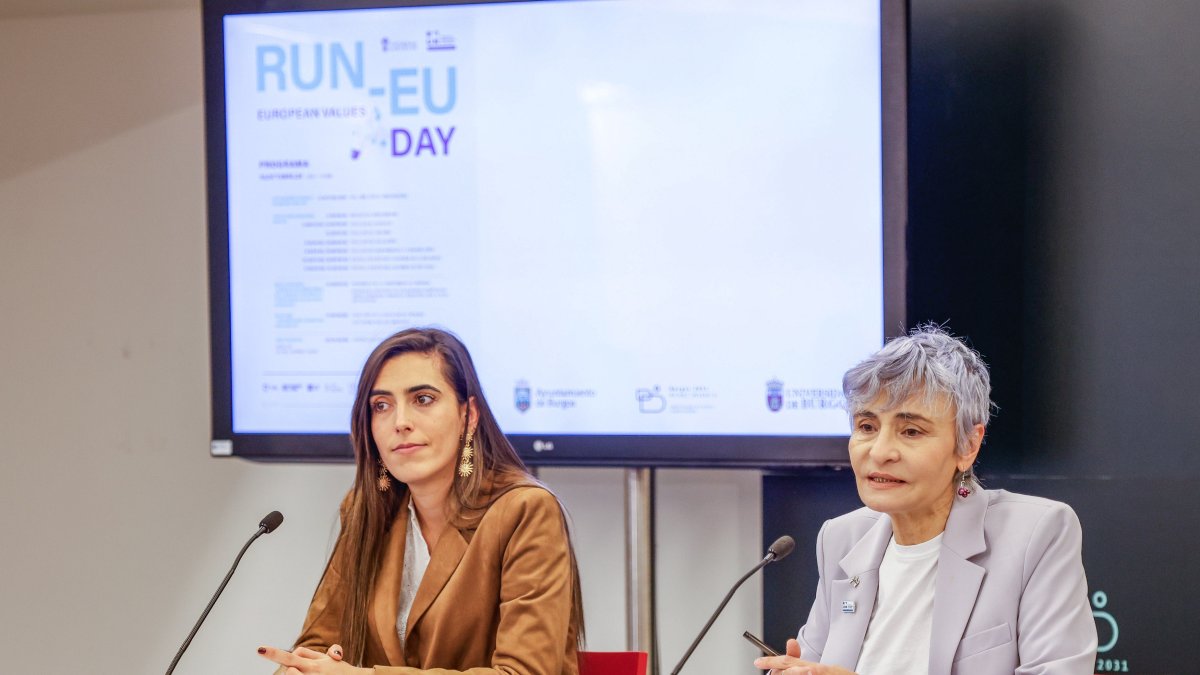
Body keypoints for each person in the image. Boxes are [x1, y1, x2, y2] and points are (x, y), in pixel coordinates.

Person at [755, 325, 1096, 675]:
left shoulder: (1036, 534)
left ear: (968, 445)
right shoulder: (842, 538)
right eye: (867, 427)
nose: (880, 452)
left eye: (911, 431)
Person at [257, 327, 584, 674]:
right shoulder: (367, 510)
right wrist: (298, 669)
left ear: (469, 415)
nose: (400, 422)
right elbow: (315, 644)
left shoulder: (526, 511)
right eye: (382, 406)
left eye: (423, 399)